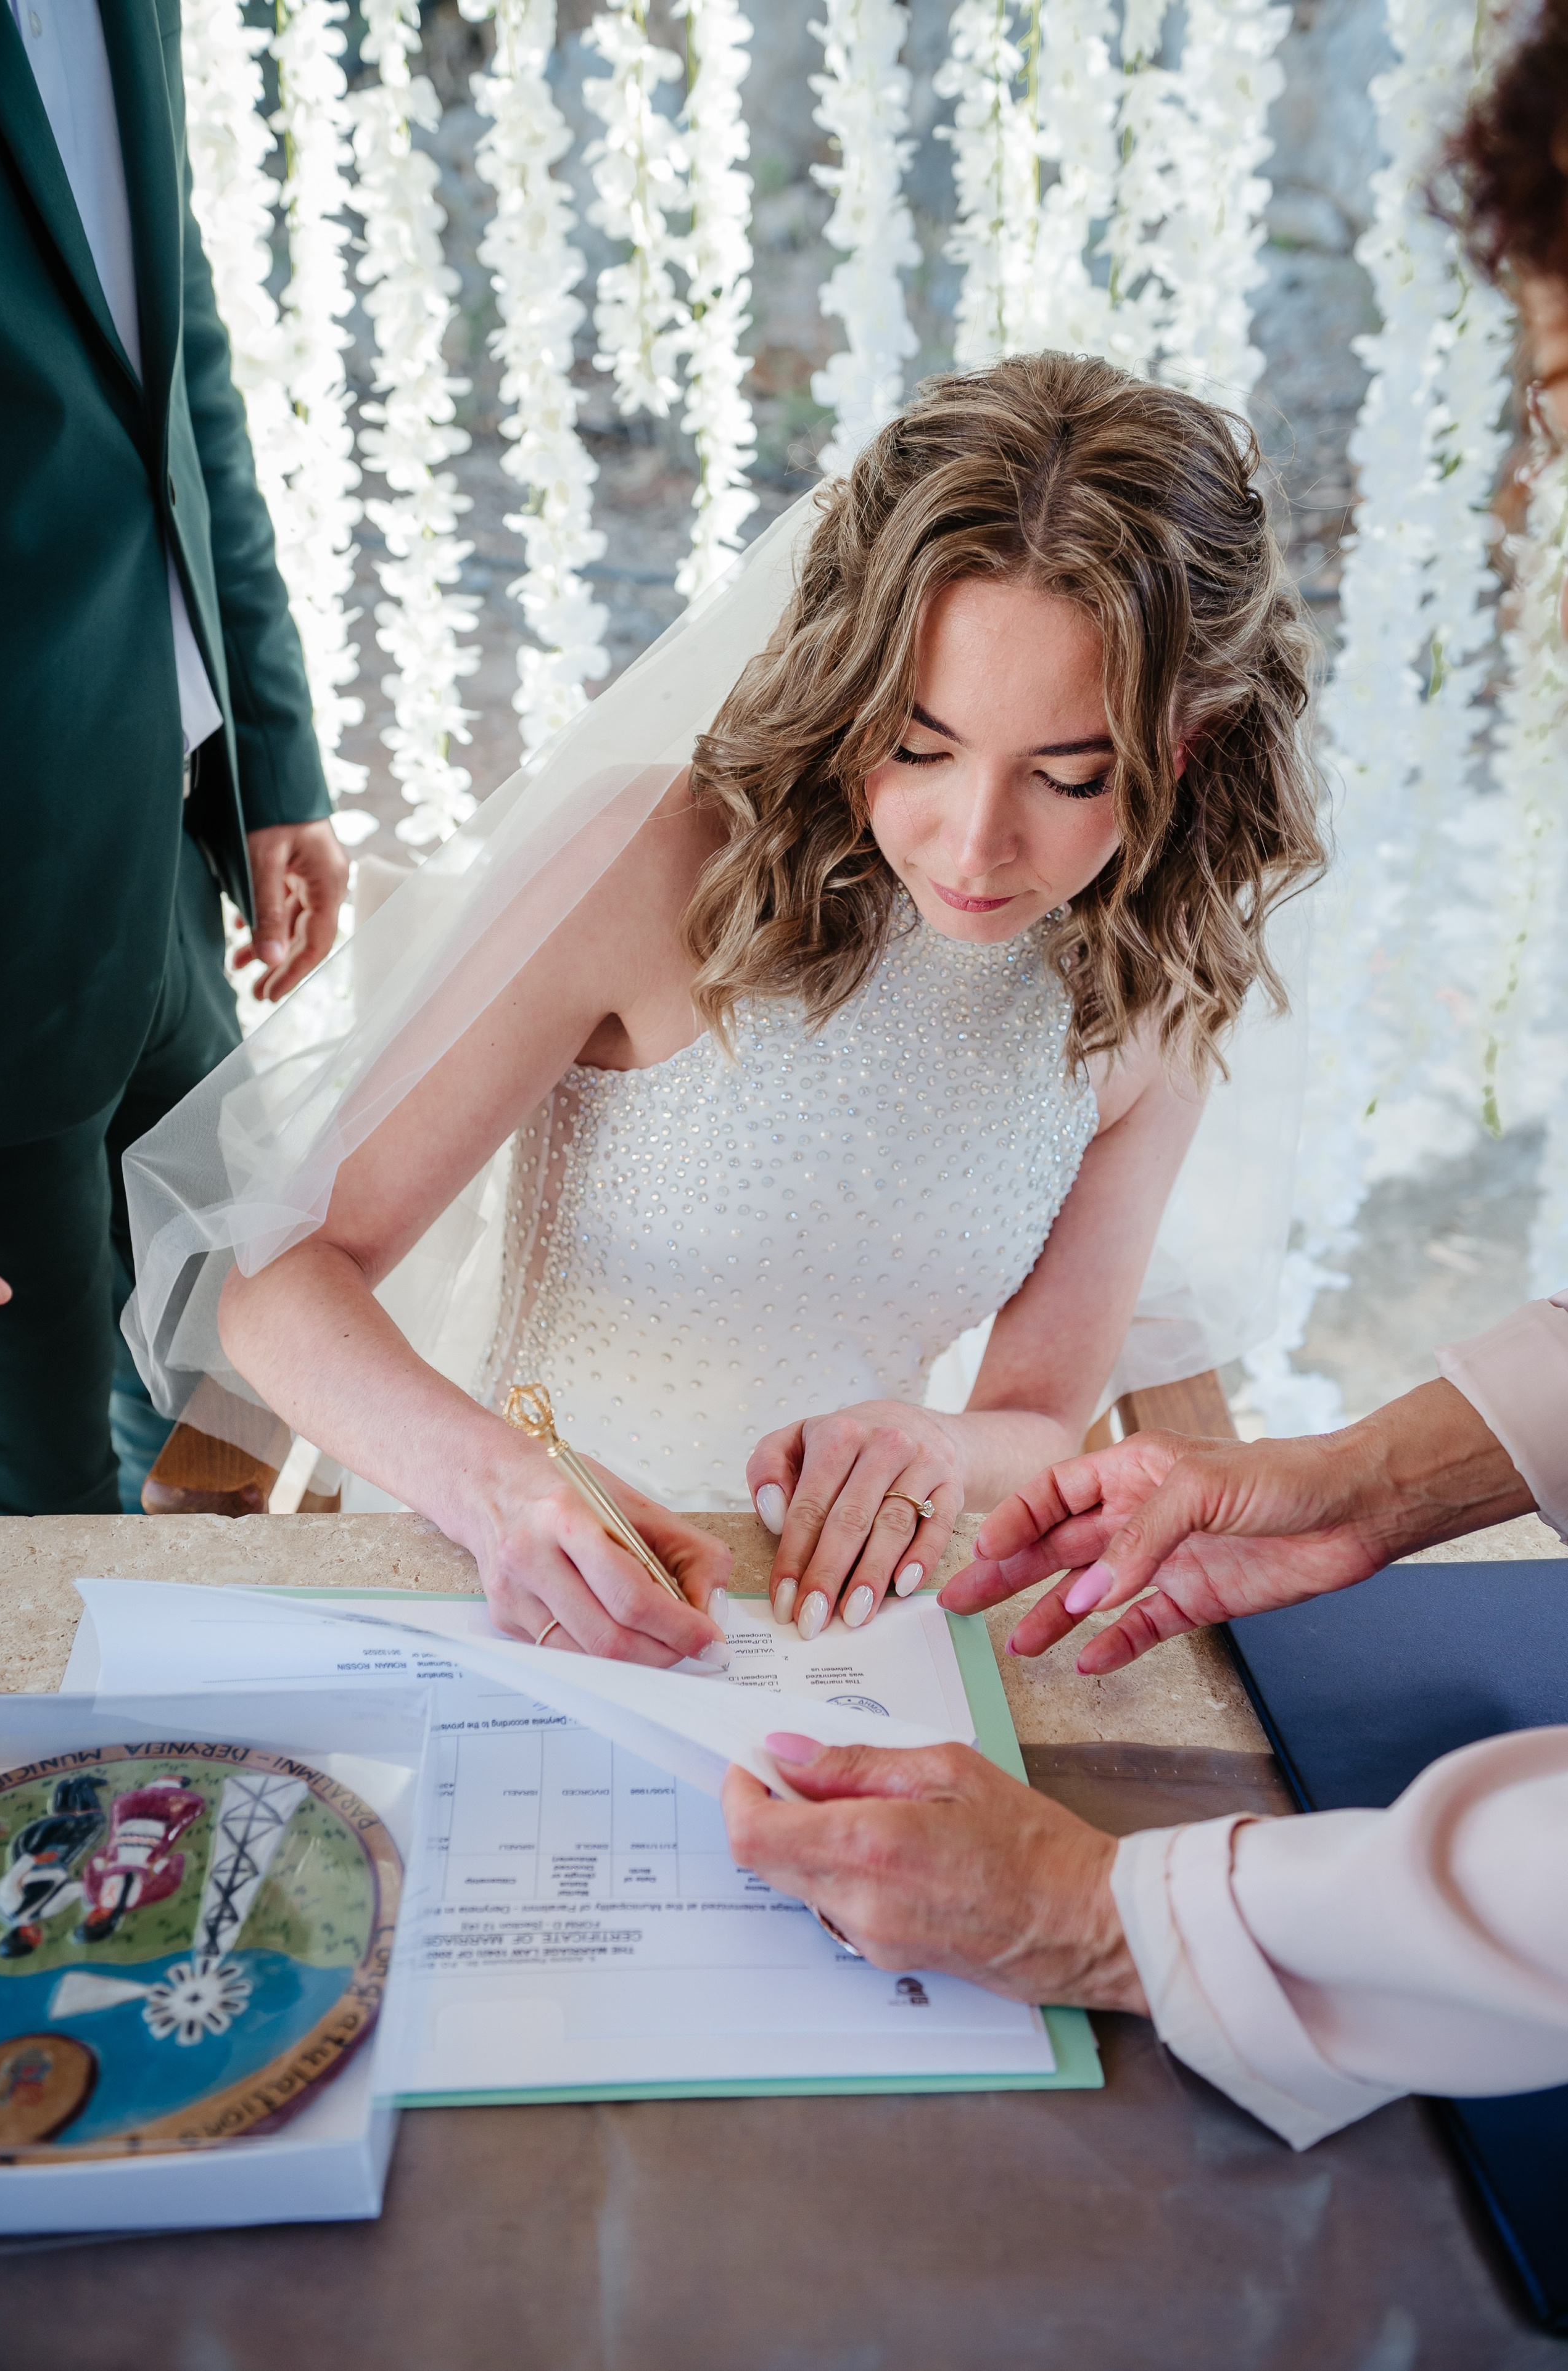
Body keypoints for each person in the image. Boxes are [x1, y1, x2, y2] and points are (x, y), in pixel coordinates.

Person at [725, 13, 1568, 2153]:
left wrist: (1114, 1913)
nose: (1538, 492)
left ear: (1170, 758)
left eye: (1558, 401)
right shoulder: (681, 871)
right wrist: (1371, 1482)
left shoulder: (1138, 1009)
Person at [123, 354, 1322, 1668]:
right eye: (918, 746)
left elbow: (1039, 1412)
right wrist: (502, 1490)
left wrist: (935, 1446)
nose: (975, 844)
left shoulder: (1144, 1001)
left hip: (831, 1633)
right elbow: (279, 1282)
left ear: (1180, 746)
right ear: (852, 681)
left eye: (1067, 774)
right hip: (502, 1563)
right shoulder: (652, 866)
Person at [0, 0, 347, 1516]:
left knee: (222, 1397)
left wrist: (271, 756)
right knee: (37, 1512)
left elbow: (177, 370)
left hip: (159, 835)